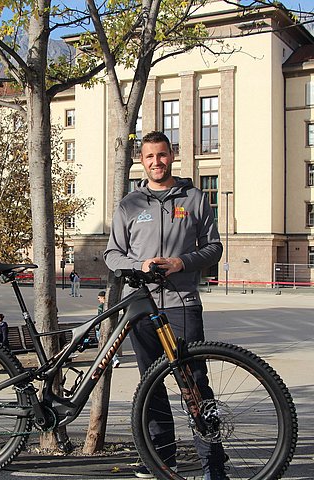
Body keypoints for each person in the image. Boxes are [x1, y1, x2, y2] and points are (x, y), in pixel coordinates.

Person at [104, 131, 227, 480]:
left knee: (195, 384)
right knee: (151, 385)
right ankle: (162, 460)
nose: (156, 162)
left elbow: (214, 248)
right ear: (141, 161)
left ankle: (213, 466)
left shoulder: (193, 198)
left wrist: (181, 263)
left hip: (180, 305)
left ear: (171, 155)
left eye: (161, 155)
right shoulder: (130, 204)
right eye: (149, 157)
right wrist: (137, 266)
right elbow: (112, 254)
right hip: (141, 307)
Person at [96, 291, 120, 367]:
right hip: (111, 327)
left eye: (99, 298)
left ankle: (114, 359)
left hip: (102, 328)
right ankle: (114, 358)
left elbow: (99, 318)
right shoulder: (112, 306)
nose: (98, 300)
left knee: (104, 345)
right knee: (110, 344)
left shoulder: (100, 307)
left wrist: (97, 327)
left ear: (103, 297)